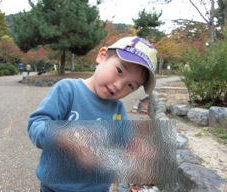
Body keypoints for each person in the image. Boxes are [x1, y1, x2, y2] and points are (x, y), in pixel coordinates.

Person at [28, 36, 158, 192]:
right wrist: (64, 135)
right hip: (55, 187)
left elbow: (123, 143)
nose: (118, 85)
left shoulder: (118, 110)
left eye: (130, 85)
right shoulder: (68, 90)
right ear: (102, 56)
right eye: (119, 71)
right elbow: (36, 125)